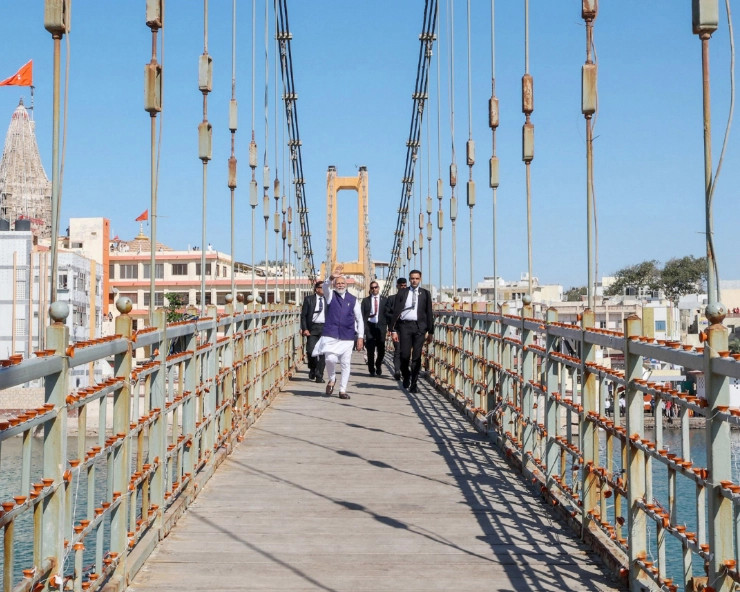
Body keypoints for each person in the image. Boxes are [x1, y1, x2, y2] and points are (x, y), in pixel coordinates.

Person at [312, 267, 364, 399]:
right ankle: (332, 378)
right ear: (335, 285)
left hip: (347, 335)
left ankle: (342, 390)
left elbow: (359, 319)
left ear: (346, 285)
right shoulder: (330, 296)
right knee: (330, 359)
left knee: (346, 363)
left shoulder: (353, 299)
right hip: (331, 333)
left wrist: (360, 337)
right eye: (338, 283)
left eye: (343, 283)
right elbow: (324, 287)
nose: (340, 285)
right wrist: (331, 277)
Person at [389, 269, 434, 393]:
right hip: (405, 327)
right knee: (404, 355)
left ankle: (414, 383)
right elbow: (396, 311)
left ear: (420, 279)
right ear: (409, 279)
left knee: (416, 357)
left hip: (419, 328)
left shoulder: (425, 293)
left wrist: (431, 331)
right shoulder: (402, 292)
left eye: (416, 278)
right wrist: (392, 330)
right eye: (412, 278)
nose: (414, 280)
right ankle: (406, 374)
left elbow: (429, 313)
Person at [300, 281, 326, 383]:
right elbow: (303, 316)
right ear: (316, 289)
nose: (324, 289)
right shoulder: (308, 299)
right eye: (322, 287)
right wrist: (305, 329)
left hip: (324, 328)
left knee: (323, 352)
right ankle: (312, 367)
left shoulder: (328, 300)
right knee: (311, 351)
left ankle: (319, 375)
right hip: (312, 328)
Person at [361, 280, 388, 376]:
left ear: (378, 288)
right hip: (369, 326)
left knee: (381, 349)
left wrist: (391, 328)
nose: (374, 289)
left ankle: (378, 363)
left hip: (381, 326)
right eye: (372, 288)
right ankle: (371, 369)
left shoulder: (385, 300)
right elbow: (362, 315)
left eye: (375, 287)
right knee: (370, 349)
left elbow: (388, 314)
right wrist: (362, 328)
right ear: (370, 289)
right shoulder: (365, 301)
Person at [385, 277, 407, 380]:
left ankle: (404, 369)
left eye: (404, 286)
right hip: (396, 328)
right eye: (401, 285)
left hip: (408, 328)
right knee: (398, 349)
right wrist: (396, 316)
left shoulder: (410, 298)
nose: (403, 287)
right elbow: (386, 312)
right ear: (397, 286)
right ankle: (397, 370)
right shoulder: (391, 298)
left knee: (405, 351)